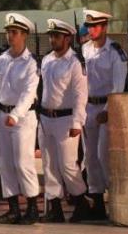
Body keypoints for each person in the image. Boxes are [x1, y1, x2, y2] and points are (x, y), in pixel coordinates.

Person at [0, 13, 41, 225]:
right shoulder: (2, 59)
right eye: (9, 32)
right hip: (2, 115)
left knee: (23, 162)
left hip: (23, 118)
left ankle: (33, 208)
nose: (10, 36)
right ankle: (13, 209)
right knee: (5, 163)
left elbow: (29, 93)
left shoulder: (31, 62)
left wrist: (15, 115)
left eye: (15, 33)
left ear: (24, 35)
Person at [38, 18, 91, 223]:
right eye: (51, 36)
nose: (53, 40)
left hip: (66, 119)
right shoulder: (47, 60)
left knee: (68, 165)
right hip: (46, 117)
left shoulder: (75, 63)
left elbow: (80, 95)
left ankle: (81, 202)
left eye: (57, 36)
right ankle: (55, 208)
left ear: (67, 38)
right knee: (49, 164)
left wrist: (78, 123)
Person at [81, 9, 127, 220]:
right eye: (89, 26)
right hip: (88, 106)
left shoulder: (115, 52)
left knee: (103, 155)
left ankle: (116, 200)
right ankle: (97, 200)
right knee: (90, 157)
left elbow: (118, 85)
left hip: (106, 108)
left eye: (96, 26)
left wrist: (108, 110)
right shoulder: (85, 50)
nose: (92, 30)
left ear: (104, 27)